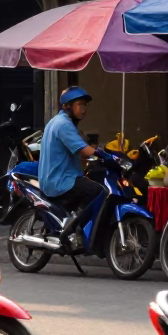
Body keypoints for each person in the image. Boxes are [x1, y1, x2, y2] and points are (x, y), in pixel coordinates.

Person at [39, 86, 99, 249]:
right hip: (61, 180)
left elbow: (79, 150)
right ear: (67, 106)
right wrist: (105, 155)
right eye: (80, 105)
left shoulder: (58, 122)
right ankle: (72, 228)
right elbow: (82, 149)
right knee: (95, 191)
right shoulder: (63, 124)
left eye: (85, 105)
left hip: (58, 177)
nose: (84, 109)